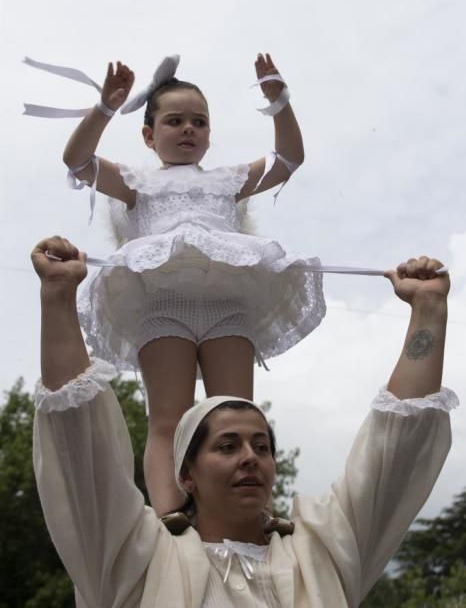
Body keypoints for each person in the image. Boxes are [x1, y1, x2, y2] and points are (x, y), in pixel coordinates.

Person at [32, 236, 458, 607]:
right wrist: (57, 294)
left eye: (262, 446)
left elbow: (394, 451)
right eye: (227, 445)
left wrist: (429, 309)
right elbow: (79, 448)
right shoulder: (137, 557)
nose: (251, 457)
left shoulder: (322, 551)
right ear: (187, 476)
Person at [46, 53, 325, 516]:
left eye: (199, 121)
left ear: (210, 134)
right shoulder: (136, 183)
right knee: (168, 420)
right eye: (175, 121)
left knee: (235, 414)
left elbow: (289, 158)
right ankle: (169, 512)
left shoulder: (227, 181)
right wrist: (104, 106)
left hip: (228, 306)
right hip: (163, 306)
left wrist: (280, 102)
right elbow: (77, 161)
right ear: (149, 135)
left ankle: (254, 512)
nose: (189, 129)